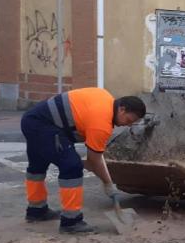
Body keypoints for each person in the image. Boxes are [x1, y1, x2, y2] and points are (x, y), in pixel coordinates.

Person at [21, 88, 146, 233]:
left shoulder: (105, 97)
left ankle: (36, 210)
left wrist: (107, 181)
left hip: (32, 119)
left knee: (38, 165)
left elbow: (96, 157)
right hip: (45, 126)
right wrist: (107, 183)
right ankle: (71, 221)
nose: (128, 125)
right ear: (122, 109)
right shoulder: (102, 123)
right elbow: (94, 160)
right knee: (72, 167)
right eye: (128, 120)